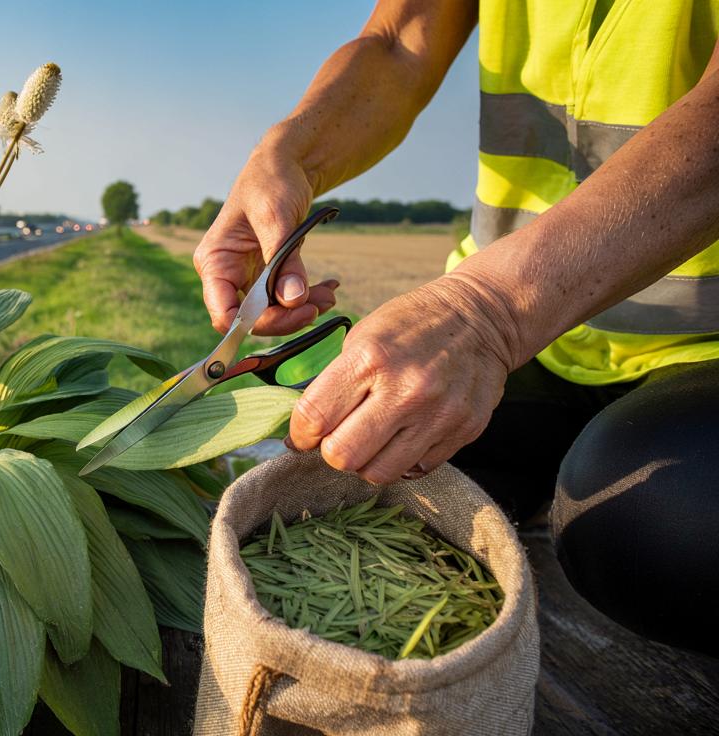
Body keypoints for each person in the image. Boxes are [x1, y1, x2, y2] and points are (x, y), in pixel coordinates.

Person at [194, 0, 719, 656]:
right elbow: (398, 39)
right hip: (539, 343)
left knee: (666, 538)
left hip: (697, 342)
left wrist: (487, 311)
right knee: (363, 463)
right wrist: (291, 151)